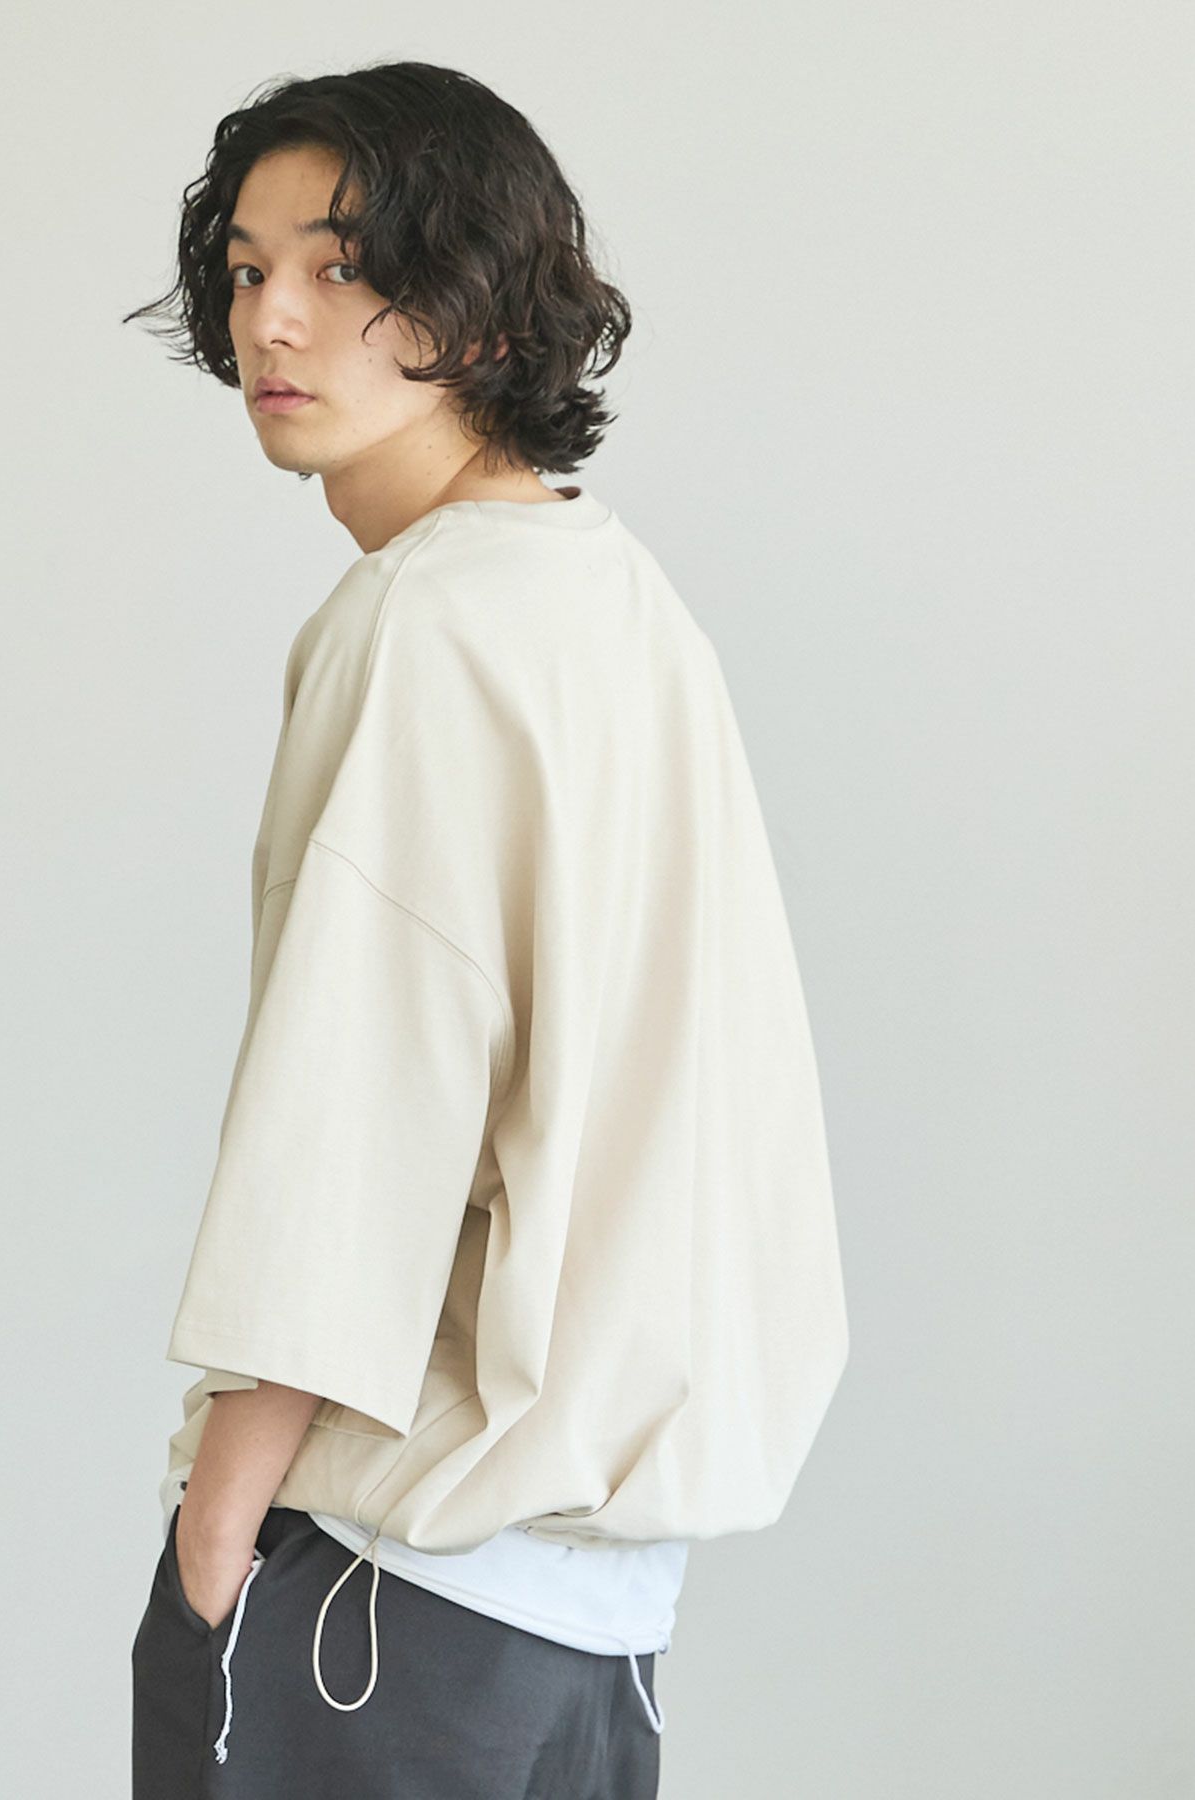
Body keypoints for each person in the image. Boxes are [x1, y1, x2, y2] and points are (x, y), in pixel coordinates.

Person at [123, 59, 850, 1800]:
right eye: (247, 268)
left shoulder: (421, 622)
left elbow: (357, 1131)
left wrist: (209, 1558)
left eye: (345, 267)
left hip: (388, 1600)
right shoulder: (617, 598)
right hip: (595, 1625)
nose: (273, 319)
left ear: (483, 309)